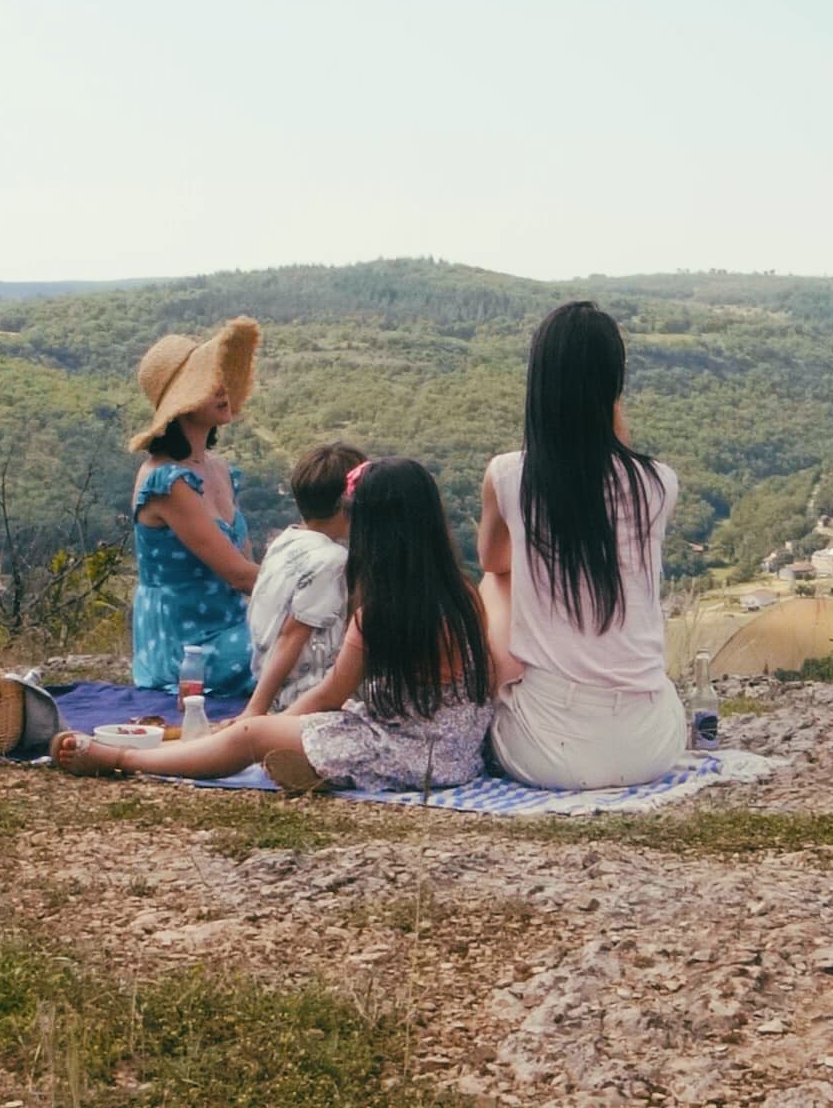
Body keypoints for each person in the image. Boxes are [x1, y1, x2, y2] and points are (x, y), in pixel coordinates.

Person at [55, 457, 494, 793]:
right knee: (281, 732)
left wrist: (265, 719)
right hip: (456, 752)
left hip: (405, 750)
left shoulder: (380, 614)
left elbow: (330, 695)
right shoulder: (463, 593)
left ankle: (124, 759)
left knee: (251, 735)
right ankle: (317, 766)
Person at [478, 299, 688, 788]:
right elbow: (613, 463)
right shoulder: (659, 484)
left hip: (547, 752)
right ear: (615, 387)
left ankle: (494, 695)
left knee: (494, 582)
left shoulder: (509, 475)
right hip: (651, 746)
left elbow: (493, 560)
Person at [125, 319, 262, 696]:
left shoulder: (218, 470)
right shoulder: (166, 482)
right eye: (207, 382)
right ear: (181, 406)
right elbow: (239, 575)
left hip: (231, 627)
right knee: (307, 646)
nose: (222, 389)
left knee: (310, 642)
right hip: (187, 646)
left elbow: (247, 571)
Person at [243, 440, 367, 718]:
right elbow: (292, 637)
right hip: (305, 699)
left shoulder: (285, 540)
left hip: (277, 691)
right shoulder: (331, 561)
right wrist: (254, 712)